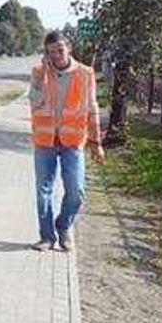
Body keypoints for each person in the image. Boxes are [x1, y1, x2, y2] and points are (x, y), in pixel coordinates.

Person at [27, 30, 105, 252]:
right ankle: (46, 237)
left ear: (68, 48)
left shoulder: (85, 73)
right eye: (51, 52)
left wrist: (96, 142)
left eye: (60, 50)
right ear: (46, 54)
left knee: (76, 190)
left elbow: (92, 108)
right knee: (43, 190)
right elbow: (34, 102)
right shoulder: (38, 72)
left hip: (73, 141)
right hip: (45, 140)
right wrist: (43, 73)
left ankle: (63, 226)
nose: (56, 56)